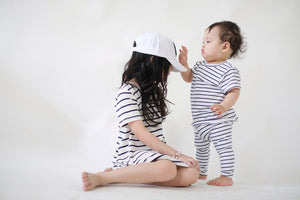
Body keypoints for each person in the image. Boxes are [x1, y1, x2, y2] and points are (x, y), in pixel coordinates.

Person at [81, 32, 200, 191]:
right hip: (132, 154)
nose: (170, 71)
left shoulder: (151, 92)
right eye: (168, 66)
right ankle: (105, 177)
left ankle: (129, 175)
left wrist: (185, 64)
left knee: (191, 175)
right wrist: (177, 155)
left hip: (153, 155)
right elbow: (141, 133)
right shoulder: (127, 92)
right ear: (152, 60)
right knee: (167, 169)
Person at [179, 21, 246, 186]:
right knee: (201, 148)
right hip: (200, 121)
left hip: (218, 120)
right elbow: (188, 78)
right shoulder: (200, 66)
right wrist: (184, 65)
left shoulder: (228, 70)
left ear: (224, 46)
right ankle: (202, 173)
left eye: (208, 42)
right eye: (203, 41)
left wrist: (224, 106)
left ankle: (226, 176)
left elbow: (234, 92)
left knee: (223, 148)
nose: (203, 45)